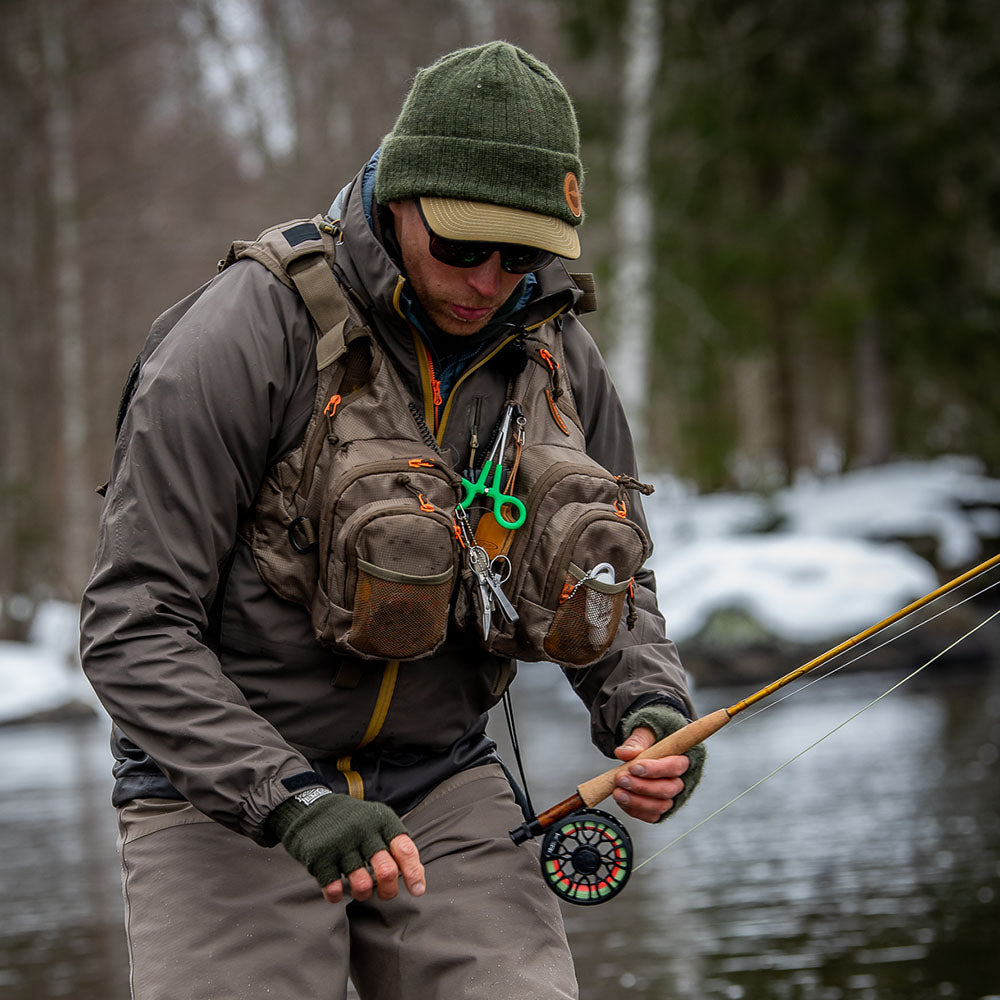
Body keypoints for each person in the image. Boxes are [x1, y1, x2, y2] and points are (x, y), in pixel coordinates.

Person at [80, 41, 706, 1000]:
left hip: (443, 782)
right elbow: (132, 627)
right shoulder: (244, 335)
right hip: (224, 799)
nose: (491, 280)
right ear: (397, 199)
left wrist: (648, 709)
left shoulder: (558, 353)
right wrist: (288, 800)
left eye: (524, 254)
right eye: (461, 246)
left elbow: (617, 580)